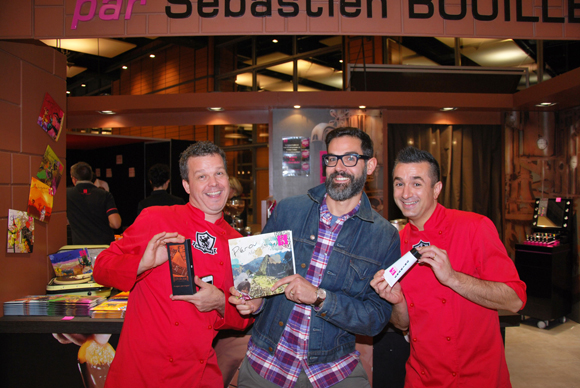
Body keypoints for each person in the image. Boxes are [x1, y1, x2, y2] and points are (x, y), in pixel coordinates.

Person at [229, 127, 400, 388]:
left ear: (370, 165)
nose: (339, 167)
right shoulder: (288, 210)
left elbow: (376, 318)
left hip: (333, 370)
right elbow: (259, 282)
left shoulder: (383, 236)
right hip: (267, 362)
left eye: (350, 158)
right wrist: (254, 302)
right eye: (332, 159)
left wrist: (321, 298)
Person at [93, 142, 253, 388]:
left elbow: (246, 316)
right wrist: (141, 264)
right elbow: (101, 268)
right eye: (202, 176)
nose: (214, 183)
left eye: (219, 173)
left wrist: (220, 302)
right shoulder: (157, 218)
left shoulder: (239, 244)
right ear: (186, 185)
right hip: (141, 372)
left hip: (198, 374)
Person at [371, 146, 527, 388]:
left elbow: (515, 300)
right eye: (399, 183)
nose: (406, 193)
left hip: (477, 377)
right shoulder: (396, 245)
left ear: (437, 189)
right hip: (421, 377)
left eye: (417, 183)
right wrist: (396, 301)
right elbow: (402, 324)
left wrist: (453, 278)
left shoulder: (474, 227)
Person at [67, 162, 121, 245]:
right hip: (103, 247)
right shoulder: (105, 195)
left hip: (80, 249)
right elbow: (116, 224)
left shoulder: (66, 194)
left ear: (74, 179)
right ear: (91, 177)